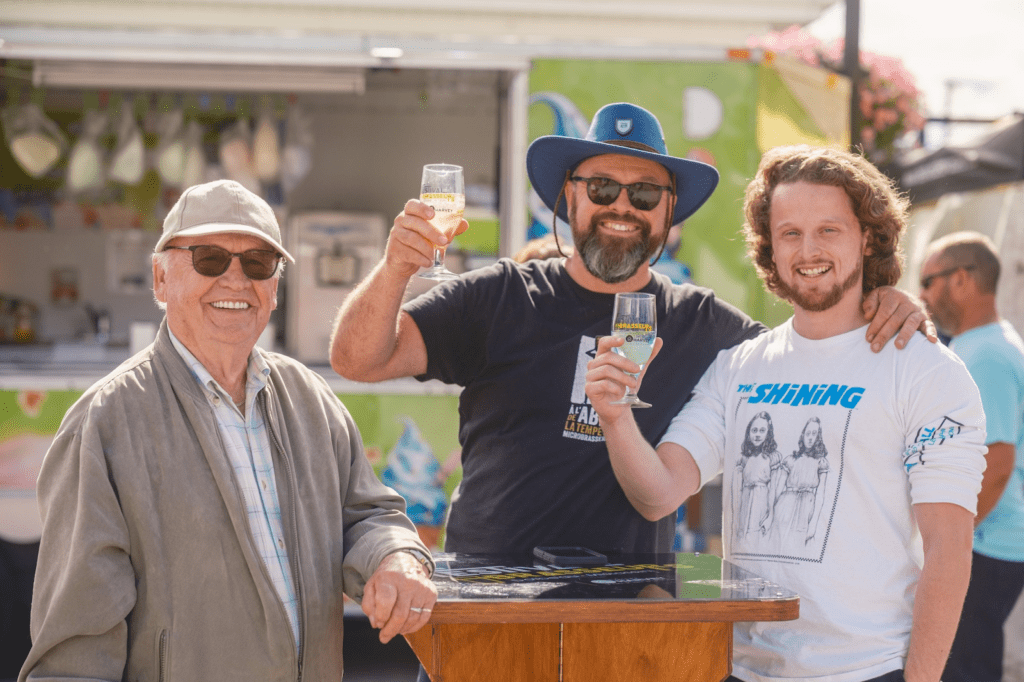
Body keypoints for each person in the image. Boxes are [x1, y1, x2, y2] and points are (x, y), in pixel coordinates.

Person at [330, 103, 931, 556]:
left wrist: (877, 297)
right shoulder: (501, 295)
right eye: (602, 188)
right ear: (569, 199)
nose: (623, 206)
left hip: (629, 616)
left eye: (644, 192)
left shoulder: (701, 323)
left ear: (669, 214)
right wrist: (395, 269)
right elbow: (358, 360)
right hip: (490, 601)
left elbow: (807, 354)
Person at [586, 145, 987, 682]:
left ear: (867, 237)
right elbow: (657, 493)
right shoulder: (738, 367)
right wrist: (614, 417)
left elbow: (949, 549)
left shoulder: (926, 371)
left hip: (867, 669)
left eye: (829, 230)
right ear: (769, 248)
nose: (808, 249)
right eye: (790, 233)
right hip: (744, 669)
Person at [20, 180, 436, 682]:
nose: (235, 280)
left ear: (275, 287)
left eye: (258, 263)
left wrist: (396, 558)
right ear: (160, 279)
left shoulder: (309, 401)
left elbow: (366, 515)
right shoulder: (105, 424)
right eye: (209, 258)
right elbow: (75, 652)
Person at [919, 232, 1024, 682]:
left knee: (963, 667)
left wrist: (946, 544)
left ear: (961, 279)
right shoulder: (984, 344)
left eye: (928, 281)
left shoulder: (985, 354)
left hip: (984, 545)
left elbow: (997, 464)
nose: (920, 295)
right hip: (988, 543)